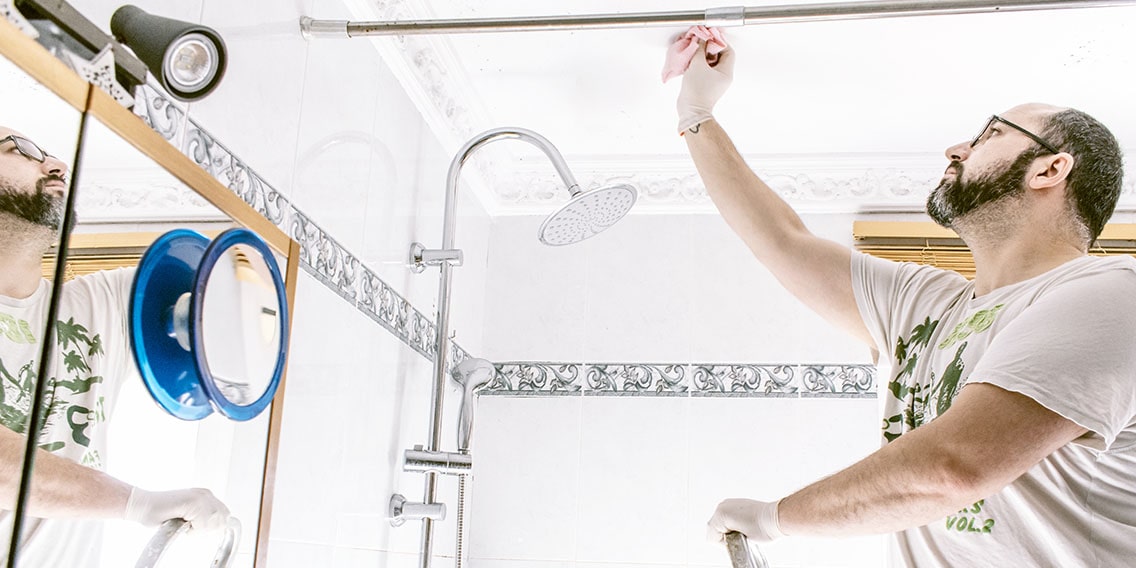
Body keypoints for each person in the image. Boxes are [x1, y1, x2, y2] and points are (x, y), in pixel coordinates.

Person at [679, 42, 1136, 566]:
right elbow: (784, 240)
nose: (955, 148)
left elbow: (952, 466)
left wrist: (772, 519)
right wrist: (696, 115)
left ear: (1050, 171)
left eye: (991, 136)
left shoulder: (1115, 294)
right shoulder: (924, 305)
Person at [0, 126, 230, 566]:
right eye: (23, 150)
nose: (56, 166)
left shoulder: (103, 303)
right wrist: (137, 503)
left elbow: (231, 306)